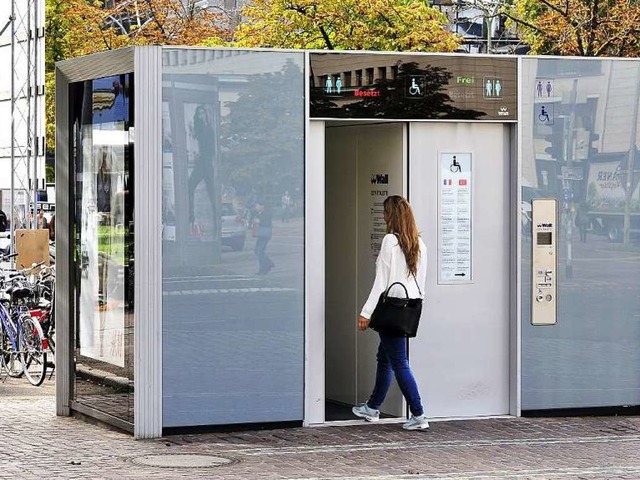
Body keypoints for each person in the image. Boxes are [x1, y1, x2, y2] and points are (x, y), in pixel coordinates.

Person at [352, 195, 429, 431]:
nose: (383, 216)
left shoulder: (390, 241)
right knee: (384, 358)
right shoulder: (419, 244)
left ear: (391, 216)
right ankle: (373, 407)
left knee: (399, 363)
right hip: (408, 310)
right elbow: (421, 284)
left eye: (386, 212)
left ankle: (418, 414)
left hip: (391, 309)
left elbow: (380, 282)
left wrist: (366, 312)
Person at [188, 105, 217, 227]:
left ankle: (216, 218)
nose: (202, 116)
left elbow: (211, 148)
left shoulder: (209, 129)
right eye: (199, 114)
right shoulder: (199, 129)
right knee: (190, 186)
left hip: (207, 162)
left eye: (203, 113)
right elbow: (195, 143)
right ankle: (191, 217)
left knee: (211, 191)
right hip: (201, 163)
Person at [252, 199, 274, 275]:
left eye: (257, 205)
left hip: (265, 234)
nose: (255, 207)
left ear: (262, 206)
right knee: (257, 251)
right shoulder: (258, 213)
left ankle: (263, 269)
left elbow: (266, 222)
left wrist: (259, 220)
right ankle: (268, 263)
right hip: (261, 234)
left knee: (259, 251)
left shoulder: (267, 213)